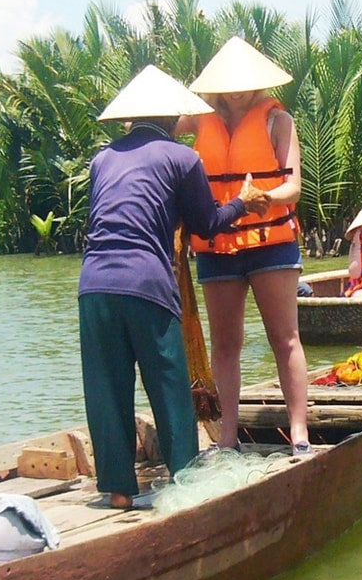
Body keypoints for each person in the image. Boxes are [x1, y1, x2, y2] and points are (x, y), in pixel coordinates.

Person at [80, 66, 268, 509]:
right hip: (145, 280)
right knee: (168, 383)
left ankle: (120, 491)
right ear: (173, 119)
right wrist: (244, 201)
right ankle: (186, 481)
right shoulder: (183, 159)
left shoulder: (102, 160)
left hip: (94, 283)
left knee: (107, 388)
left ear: (128, 120)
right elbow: (206, 225)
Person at [180, 38, 311, 454]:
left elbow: (293, 187)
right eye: (227, 83)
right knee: (225, 343)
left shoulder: (277, 120)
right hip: (216, 241)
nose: (236, 90)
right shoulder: (200, 118)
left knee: (284, 338)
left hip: (270, 242)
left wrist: (261, 198)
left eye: (244, 82)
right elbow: (156, 122)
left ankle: (300, 431)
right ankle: (228, 436)